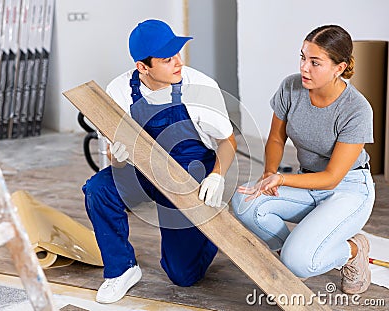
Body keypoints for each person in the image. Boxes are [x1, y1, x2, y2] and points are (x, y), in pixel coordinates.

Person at [82, 19, 237, 304]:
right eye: (167, 59)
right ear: (143, 67)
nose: (178, 62)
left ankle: (207, 227)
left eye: (178, 54)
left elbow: (227, 142)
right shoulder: (118, 91)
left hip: (189, 170)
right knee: (98, 189)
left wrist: (217, 175)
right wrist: (117, 159)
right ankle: (121, 270)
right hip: (140, 167)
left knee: (183, 275)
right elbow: (112, 160)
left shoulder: (200, 86)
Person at [232, 25, 375, 295]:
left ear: (339, 67)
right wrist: (269, 174)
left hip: (347, 189)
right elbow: (276, 138)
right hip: (306, 181)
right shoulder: (291, 87)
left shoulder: (357, 109)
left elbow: (332, 177)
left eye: (315, 62)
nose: (304, 68)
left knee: (298, 261)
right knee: (244, 203)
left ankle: (353, 251)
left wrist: (283, 178)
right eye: (303, 58)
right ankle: (296, 258)